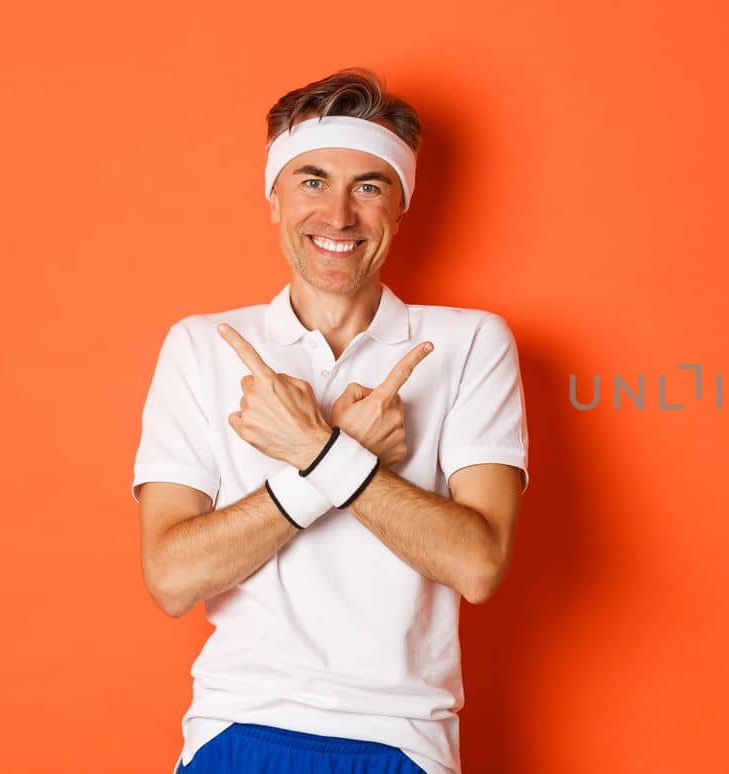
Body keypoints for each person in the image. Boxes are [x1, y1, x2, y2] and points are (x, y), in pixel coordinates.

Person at [132, 67, 528, 774]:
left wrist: (315, 449)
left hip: (404, 741)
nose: (339, 216)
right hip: (237, 727)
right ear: (274, 201)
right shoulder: (201, 345)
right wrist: (336, 461)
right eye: (312, 181)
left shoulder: (469, 344)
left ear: (400, 207)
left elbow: (478, 564)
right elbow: (170, 579)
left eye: (368, 187)